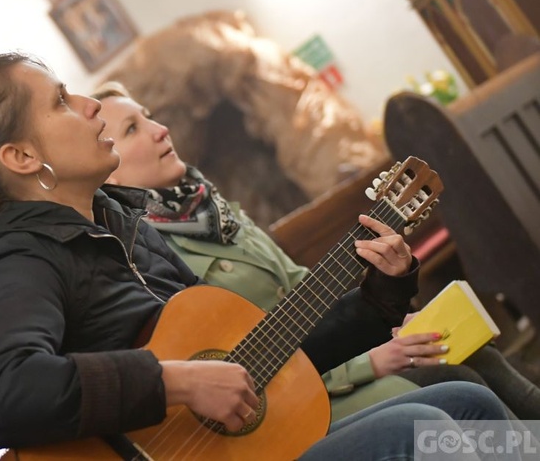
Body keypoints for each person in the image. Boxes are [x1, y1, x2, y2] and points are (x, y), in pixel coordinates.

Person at [0, 52, 515, 460]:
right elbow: (2, 393)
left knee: (468, 404)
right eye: (62, 102)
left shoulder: (124, 224)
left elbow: (260, 355)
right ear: (19, 157)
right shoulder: (20, 257)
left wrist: (382, 294)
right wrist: (174, 381)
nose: (91, 106)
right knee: (422, 430)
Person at [92, 80, 540, 421]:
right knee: (455, 382)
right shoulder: (151, 257)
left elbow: (303, 290)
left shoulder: (209, 207)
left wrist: (386, 312)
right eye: (134, 128)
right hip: (295, 398)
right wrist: (369, 362)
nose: (159, 129)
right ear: (107, 174)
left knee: (461, 348)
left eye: (149, 115)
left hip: (337, 353)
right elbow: (234, 366)